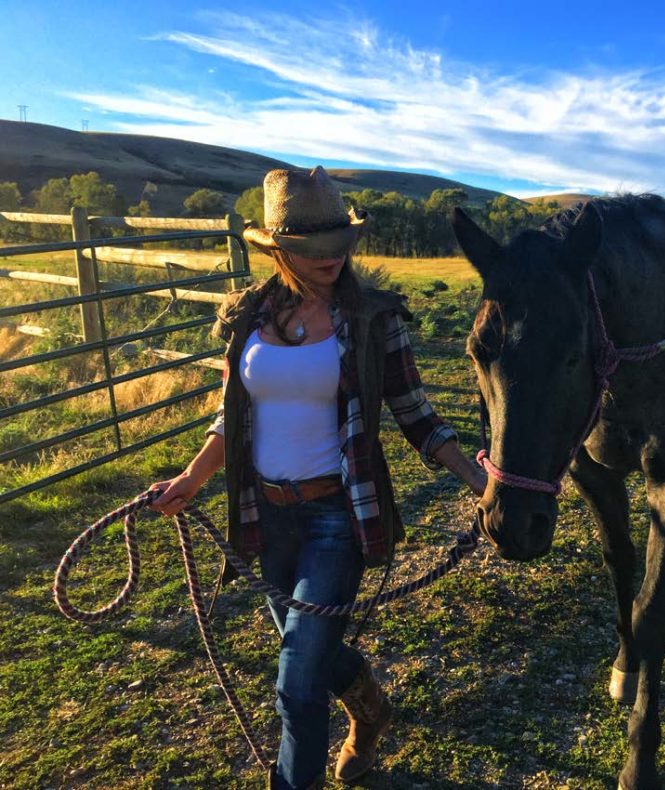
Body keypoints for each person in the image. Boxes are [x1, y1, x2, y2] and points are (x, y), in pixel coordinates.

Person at [149, 166, 486, 790]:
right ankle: (371, 709)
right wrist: (193, 479)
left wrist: (478, 477)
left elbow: (415, 413)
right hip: (264, 515)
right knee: (312, 649)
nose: (329, 257)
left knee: (297, 683)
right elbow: (233, 414)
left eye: (339, 242)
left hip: (338, 516)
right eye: (310, 247)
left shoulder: (375, 319)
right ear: (279, 250)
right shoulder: (248, 316)